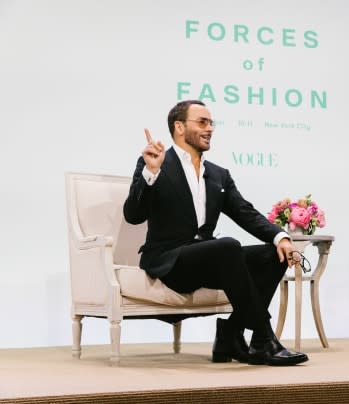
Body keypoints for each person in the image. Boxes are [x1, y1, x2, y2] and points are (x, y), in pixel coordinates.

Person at [123, 100, 308, 366]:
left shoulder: (219, 175)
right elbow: (133, 215)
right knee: (228, 246)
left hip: (210, 261)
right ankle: (264, 338)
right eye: (202, 122)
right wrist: (150, 173)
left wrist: (281, 237)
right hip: (170, 261)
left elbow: (246, 213)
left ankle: (231, 336)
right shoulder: (155, 162)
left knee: (272, 255)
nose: (209, 128)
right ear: (178, 127)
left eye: (211, 123)